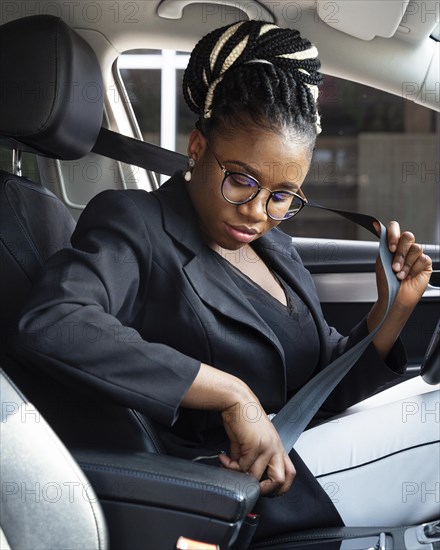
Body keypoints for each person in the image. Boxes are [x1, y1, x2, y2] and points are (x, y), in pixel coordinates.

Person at [14, 20, 438, 540]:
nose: (258, 211)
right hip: (230, 490)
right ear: (196, 147)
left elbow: (323, 381)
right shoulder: (135, 223)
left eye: (283, 195)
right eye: (241, 179)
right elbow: (55, 322)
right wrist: (229, 393)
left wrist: (393, 308)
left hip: (308, 445)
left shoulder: (273, 246)